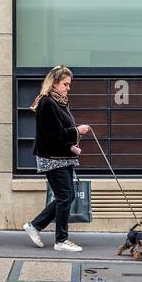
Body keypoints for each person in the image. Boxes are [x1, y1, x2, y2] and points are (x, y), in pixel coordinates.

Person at [23, 65, 91, 252]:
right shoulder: (48, 103)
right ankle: (60, 240)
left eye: (69, 84)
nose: (68, 88)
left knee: (65, 196)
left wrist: (71, 147)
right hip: (53, 158)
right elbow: (53, 135)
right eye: (65, 84)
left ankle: (36, 226)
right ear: (54, 83)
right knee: (65, 196)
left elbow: (54, 135)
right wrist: (78, 131)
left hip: (62, 156)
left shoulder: (58, 102)